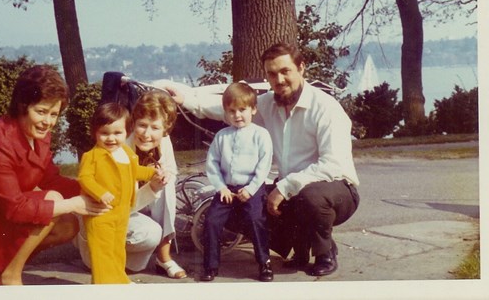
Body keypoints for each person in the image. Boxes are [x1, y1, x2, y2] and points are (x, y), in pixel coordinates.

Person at [167, 42, 360, 277]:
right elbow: (229, 107)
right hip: (291, 188)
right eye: (272, 73)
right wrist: (185, 100)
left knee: (311, 198)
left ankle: (324, 252)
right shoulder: (269, 103)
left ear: (301, 68)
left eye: (285, 71)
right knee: (239, 207)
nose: (278, 80)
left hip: (337, 190)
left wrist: (284, 188)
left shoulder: (326, 108)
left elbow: (333, 165)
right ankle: (300, 248)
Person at [0, 65, 109, 286]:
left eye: (54, 114)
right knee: (53, 200)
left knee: (68, 225)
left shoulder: (38, 134)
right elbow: (14, 208)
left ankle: (6, 267)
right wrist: (73, 203)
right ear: (22, 106)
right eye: (42, 112)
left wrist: (98, 190)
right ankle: (9, 275)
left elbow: (50, 179)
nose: (49, 122)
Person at [75, 90, 187, 279]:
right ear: (133, 123)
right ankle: (107, 270)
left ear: (165, 129)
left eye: (155, 128)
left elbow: (169, 173)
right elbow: (123, 202)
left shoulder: (164, 142)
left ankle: (163, 256)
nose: (146, 134)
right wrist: (151, 188)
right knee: (146, 235)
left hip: (129, 217)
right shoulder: (117, 143)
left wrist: (157, 178)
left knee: (166, 182)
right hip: (109, 213)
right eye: (142, 125)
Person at [200, 82, 274, 282]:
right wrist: (221, 187)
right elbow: (213, 163)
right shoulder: (222, 136)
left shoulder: (261, 134)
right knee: (212, 221)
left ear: (253, 109)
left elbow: (264, 165)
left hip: (252, 187)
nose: (237, 115)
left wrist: (250, 189)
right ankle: (210, 265)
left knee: (255, 219)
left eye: (242, 109)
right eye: (231, 111)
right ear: (226, 112)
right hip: (227, 189)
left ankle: (264, 263)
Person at [78, 102, 158, 284]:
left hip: (121, 213)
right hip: (101, 213)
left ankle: (118, 279)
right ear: (95, 133)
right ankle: (104, 284)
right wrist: (100, 193)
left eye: (117, 133)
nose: (111, 138)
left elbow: (135, 171)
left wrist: (153, 173)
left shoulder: (126, 153)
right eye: (104, 133)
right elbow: (85, 178)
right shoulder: (92, 156)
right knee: (102, 251)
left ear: (127, 132)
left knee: (117, 249)